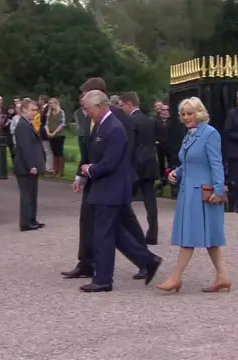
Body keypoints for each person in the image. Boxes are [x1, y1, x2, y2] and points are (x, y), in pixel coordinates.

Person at [61, 77, 149, 280]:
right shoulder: (89, 116)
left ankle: (145, 262)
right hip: (95, 175)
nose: (82, 100)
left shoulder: (117, 117)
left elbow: (126, 149)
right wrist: (80, 175)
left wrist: (123, 176)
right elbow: (88, 148)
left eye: (85, 95)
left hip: (114, 178)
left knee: (126, 222)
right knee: (87, 219)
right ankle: (86, 262)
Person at [78, 90, 162, 293]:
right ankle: (148, 260)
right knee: (115, 232)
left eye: (88, 109)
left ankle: (104, 279)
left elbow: (109, 162)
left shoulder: (114, 128)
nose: (87, 113)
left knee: (103, 234)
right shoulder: (104, 125)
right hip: (107, 188)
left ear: (99, 106)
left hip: (111, 188)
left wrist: (90, 169)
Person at [156, 97, 231, 293]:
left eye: (190, 113)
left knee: (188, 236)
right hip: (188, 191)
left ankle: (175, 277)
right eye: (184, 114)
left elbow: (216, 163)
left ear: (199, 113)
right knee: (211, 239)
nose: (187, 117)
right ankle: (223, 277)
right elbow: (189, 163)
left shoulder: (210, 134)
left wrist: (219, 190)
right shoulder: (189, 134)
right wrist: (177, 172)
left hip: (203, 194)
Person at [120, 91, 159, 245]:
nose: (122, 108)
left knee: (124, 198)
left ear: (129, 104)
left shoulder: (130, 121)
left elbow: (130, 145)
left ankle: (126, 230)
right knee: (150, 200)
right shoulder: (149, 120)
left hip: (136, 165)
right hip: (149, 162)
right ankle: (153, 232)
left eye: (123, 105)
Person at [13, 99, 46, 232]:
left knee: (32, 193)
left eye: (35, 110)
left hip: (28, 166)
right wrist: (31, 165)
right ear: (24, 110)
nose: (35, 112)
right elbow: (25, 147)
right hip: (24, 167)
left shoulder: (27, 124)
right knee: (27, 194)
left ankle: (32, 219)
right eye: (32, 110)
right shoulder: (22, 125)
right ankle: (26, 222)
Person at [44, 97, 66, 177]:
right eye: (50, 103)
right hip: (51, 135)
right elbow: (46, 124)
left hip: (59, 135)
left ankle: (60, 171)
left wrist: (54, 132)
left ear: (56, 103)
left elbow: (63, 124)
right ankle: (55, 170)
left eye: (53, 103)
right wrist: (48, 132)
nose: (51, 104)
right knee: (54, 153)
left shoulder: (61, 112)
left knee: (59, 152)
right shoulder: (49, 113)